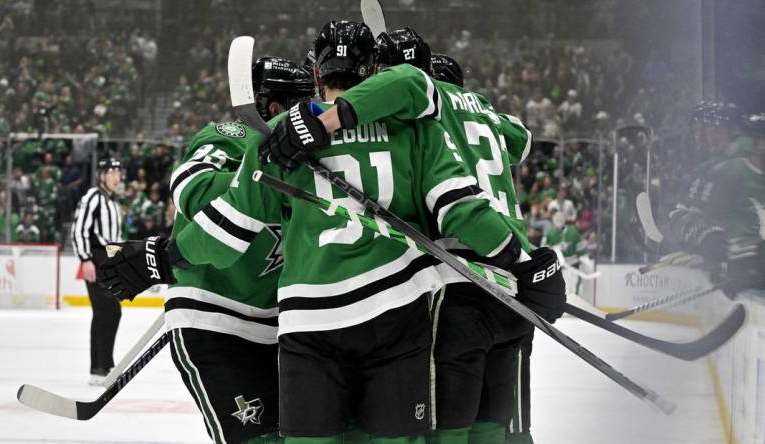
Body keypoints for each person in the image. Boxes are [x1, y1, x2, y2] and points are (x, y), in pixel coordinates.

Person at [99, 20, 526, 443]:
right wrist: (520, 260)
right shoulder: (407, 129)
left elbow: (223, 229)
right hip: (282, 315)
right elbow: (458, 206)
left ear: (319, 76)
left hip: (301, 319)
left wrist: (171, 255)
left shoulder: (282, 141)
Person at [295, 30, 564, 444]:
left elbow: (404, 88)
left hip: (459, 276)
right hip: (512, 284)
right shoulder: (487, 110)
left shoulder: (416, 102)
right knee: (502, 429)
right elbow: (523, 142)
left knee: (444, 431)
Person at [161, 56, 313, 444]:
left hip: (280, 326)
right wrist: (260, 179)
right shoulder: (230, 134)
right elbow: (190, 189)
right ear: (276, 109)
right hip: (216, 319)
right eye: (306, 104)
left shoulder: (317, 160)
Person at [668, 109, 765, 298]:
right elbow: (682, 218)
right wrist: (706, 237)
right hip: (743, 293)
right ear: (757, 142)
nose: (706, 136)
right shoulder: (729, 173)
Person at [71, 158, 124, 385]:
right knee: (107, 310)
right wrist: (85, 258)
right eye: (111, 172)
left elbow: (114, 238)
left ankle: (103, 366)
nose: (116, 176)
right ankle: (99, 367)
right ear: (101, 176)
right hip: (96, 258)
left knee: (110, 311)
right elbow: (79, 228)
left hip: (108, 261)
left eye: (118, 172)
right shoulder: (93, 196)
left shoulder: (113, 202)